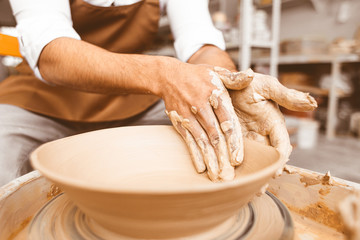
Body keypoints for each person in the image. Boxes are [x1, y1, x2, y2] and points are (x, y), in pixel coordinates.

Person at [0, 0, 317, 186]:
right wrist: (164, 74)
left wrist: (227, 86)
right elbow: (51, 51)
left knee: (231, 146)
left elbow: (201, 42)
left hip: (133, 94)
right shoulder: (157, 74)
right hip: (43, 94)